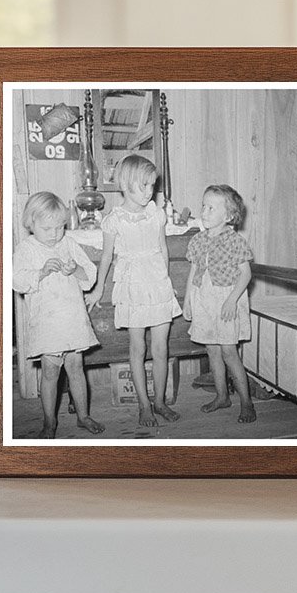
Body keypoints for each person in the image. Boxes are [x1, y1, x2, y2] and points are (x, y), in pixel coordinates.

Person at [88, 154, 182, 427]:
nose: (149, 192)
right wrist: (97, 289)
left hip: (157, 284)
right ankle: (144, 404)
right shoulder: (114, 220)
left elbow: (163, 249)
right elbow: (106, 257)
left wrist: (166, 282)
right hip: (132, 287)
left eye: (152, 186)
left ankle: (160, 401)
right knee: (137, 347)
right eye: (144, 186)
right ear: (126, 184)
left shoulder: (156, 213)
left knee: (161, 347)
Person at [12, 191, 105, 439]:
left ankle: (83, 416)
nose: (54, 234)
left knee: (76, 368)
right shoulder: (26, 249)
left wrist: (76, 270)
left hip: (72, 318)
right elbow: (17, 281)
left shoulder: (68, 243)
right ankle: (49, 422)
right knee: (50, 373)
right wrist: (40, 272)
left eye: (59, 227)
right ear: (31, 223)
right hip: (48, 322)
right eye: (47, 228)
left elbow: (90, 273)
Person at [183, 184, 256, 423]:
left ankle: (246, 402)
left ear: (228, 216)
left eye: (211, 208)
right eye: (203, 205)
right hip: (204, 299)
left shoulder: (234, 241)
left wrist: (232, 300)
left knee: (228, 352)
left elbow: (245, 275)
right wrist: (187, 301)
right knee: (211, 350)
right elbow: (194, 272)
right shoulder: (197, 240)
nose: (204, 211)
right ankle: (222, 396)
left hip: (226, 300)